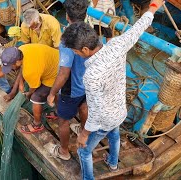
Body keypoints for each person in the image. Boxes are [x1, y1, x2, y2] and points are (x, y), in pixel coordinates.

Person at [61, 0, 164, 178]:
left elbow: (95, 112)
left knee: (83, 152)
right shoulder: (117, 44)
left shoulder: (90, 76)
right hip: (120, 111)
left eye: (76, 51)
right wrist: (153, 8)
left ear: (85, 49)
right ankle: (113, 163)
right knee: (114, 135)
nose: (76, 54)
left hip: (105, 119)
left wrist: (84, 134)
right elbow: (138, 29)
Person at [46, 0, 89, 161]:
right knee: (84, 107)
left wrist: (52, 93)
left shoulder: (66, 40)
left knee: (63, 120)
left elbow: (64, 73)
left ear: (67, 17)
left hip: (71, 89)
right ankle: (83, 129)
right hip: (87, 84)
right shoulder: (90, 33)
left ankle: (63, 151)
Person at [0, 44, 59, 133]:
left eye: (11, 66)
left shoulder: (30, 71)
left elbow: (34, 87)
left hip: (56, 73)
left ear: (18, 61)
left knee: (36, 97)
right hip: (56, 59)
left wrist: (29, 94)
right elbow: (22, 68)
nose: (11, 69)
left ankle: (37, 125)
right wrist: (21, 84)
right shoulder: (22, 49)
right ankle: (58, 112)